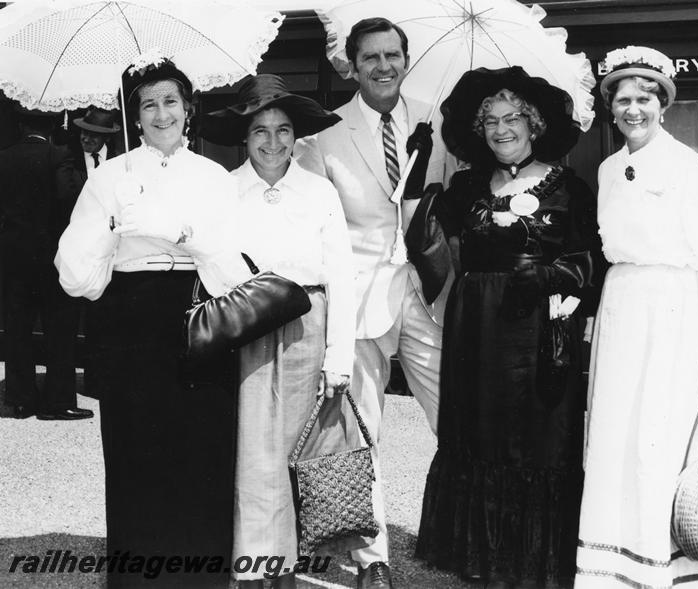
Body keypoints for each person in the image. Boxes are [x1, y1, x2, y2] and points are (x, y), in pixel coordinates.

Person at [55, 54, 251, 588]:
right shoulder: (110, 177)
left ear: (188, 110)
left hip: (198, 314)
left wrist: (178, 232)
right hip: (129, 319)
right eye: (148, 105)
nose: (161, 114)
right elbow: (77, 278)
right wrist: (111, 225)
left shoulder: (214, 177)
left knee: (203, 448)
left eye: (170, 102)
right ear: (135, 116)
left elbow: (232, 272)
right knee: (134, 452)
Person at [414, 66, 601, 589]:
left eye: (513, 118)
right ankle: (482, 555)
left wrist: (548, 276)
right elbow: (423, 238)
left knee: (536, 437)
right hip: (476, 329)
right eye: (491, 120)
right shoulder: (468, 186)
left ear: (534, 124)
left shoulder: (568, 187)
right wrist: (418, 164)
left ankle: (533, 561)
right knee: (481, 432)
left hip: (537, 325)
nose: (502, 129)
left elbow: (591, 259)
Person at [575, 46, 698, 588]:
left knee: (662, 438)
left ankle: (667, 566)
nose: (633, 109)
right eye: (622, 100)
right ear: (610, 107)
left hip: (675, 316)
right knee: (618, 439)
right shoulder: (607, 169)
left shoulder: (689, 169)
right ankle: (616, 568)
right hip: (622, 310)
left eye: (644, 99)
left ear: (663, 105)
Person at [297, 17, 450, 588]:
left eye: (392, 55)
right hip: (359, 298)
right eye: (371, 58)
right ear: (352, 66)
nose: (384, 66)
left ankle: (465, 535)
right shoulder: (324, 134)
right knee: (363, 430)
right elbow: (317, 226)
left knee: (456, 415)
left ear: (405, 59)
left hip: (425, 292)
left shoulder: (437, 121)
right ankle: (372, 559)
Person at [201, 74, 357, 589]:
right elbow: (209, 261)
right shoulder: (223, 189)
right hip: (246, 325)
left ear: (297, 135)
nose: (272, 142)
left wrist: (338, 357)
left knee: (296, 449)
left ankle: (286, 568)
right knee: (252, 451)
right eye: (260, 131)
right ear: (244, 137)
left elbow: (341, 276)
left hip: (306, 326)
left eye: (283, 130)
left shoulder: (319, 191)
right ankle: (251, 567)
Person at [0, 107, 92, 421]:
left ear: (21, 125)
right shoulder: (59, 155)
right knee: (60, 330)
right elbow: (69, 197)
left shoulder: (3, 158)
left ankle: (20, 400)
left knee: (17, 329)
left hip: (13, 258)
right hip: (52, 257)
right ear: (52, 127)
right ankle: (57, 402)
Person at [55, 106, 120, 401]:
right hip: (76, 251)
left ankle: (97, 380)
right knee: (67, 320)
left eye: (93, 135)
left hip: (107, 252)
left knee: (103, 321)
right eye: (83, 132)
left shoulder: (118, 161)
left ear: (106, 137)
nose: (86, 138)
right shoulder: (67, 159)